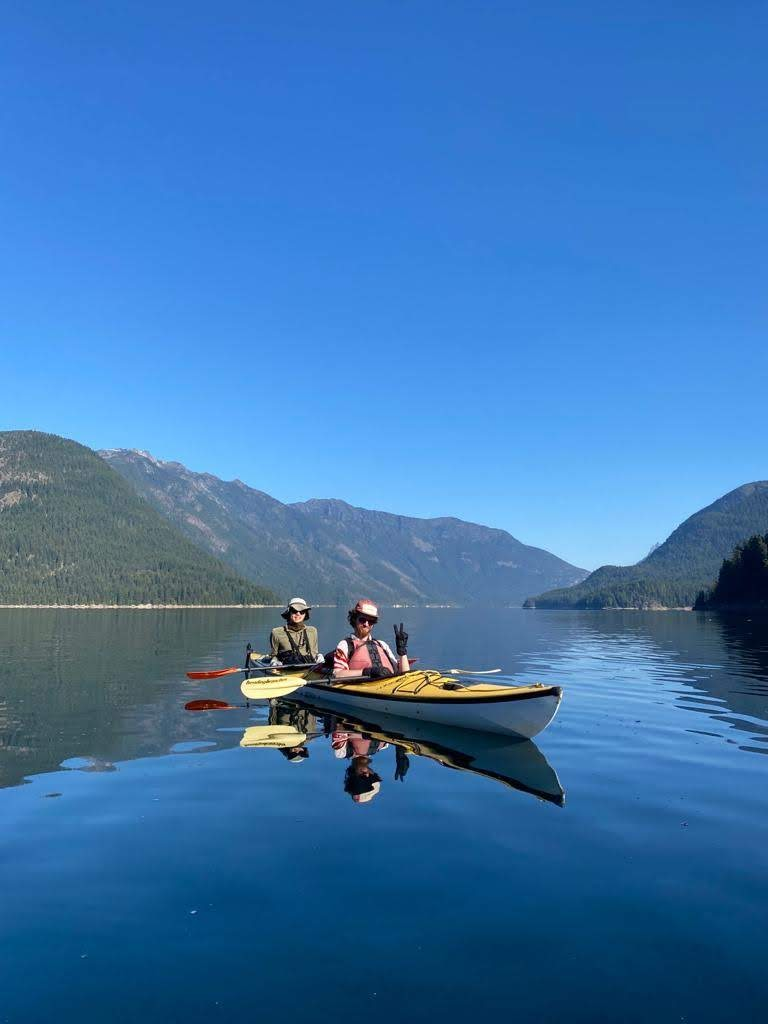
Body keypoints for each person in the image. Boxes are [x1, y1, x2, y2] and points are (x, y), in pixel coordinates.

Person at [333, 599, 409, 679]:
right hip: (362, 687)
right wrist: (367, 672)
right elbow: (337, 674)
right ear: (354, 619)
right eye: (362, 620)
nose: (366, 624)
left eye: (371, 621)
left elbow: (404, 674)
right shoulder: (345, 645)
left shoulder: (382, 645)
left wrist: (402, 652)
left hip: (387, 686)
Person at [269, 597, 321, 666]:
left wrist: (319, 658)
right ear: (289, 612)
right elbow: (273, 655)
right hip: (286, 670)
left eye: (302, 611)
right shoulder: (276, 632)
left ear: (306, 614)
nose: (298, 614)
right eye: (294, 610)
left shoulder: (312, 631)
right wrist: (274, 661)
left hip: (310, 668)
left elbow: (315, 653)